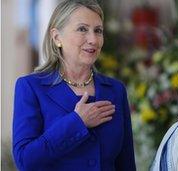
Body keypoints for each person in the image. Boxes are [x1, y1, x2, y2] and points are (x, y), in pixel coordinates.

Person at [12, 0, 136, 170]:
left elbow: (126, 163)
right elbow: (25, 160)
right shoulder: (31, 87)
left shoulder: (116, 90)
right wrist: (77, 122)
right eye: (82, 29)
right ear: (57, 37)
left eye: (98, 31)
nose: (93, 39)